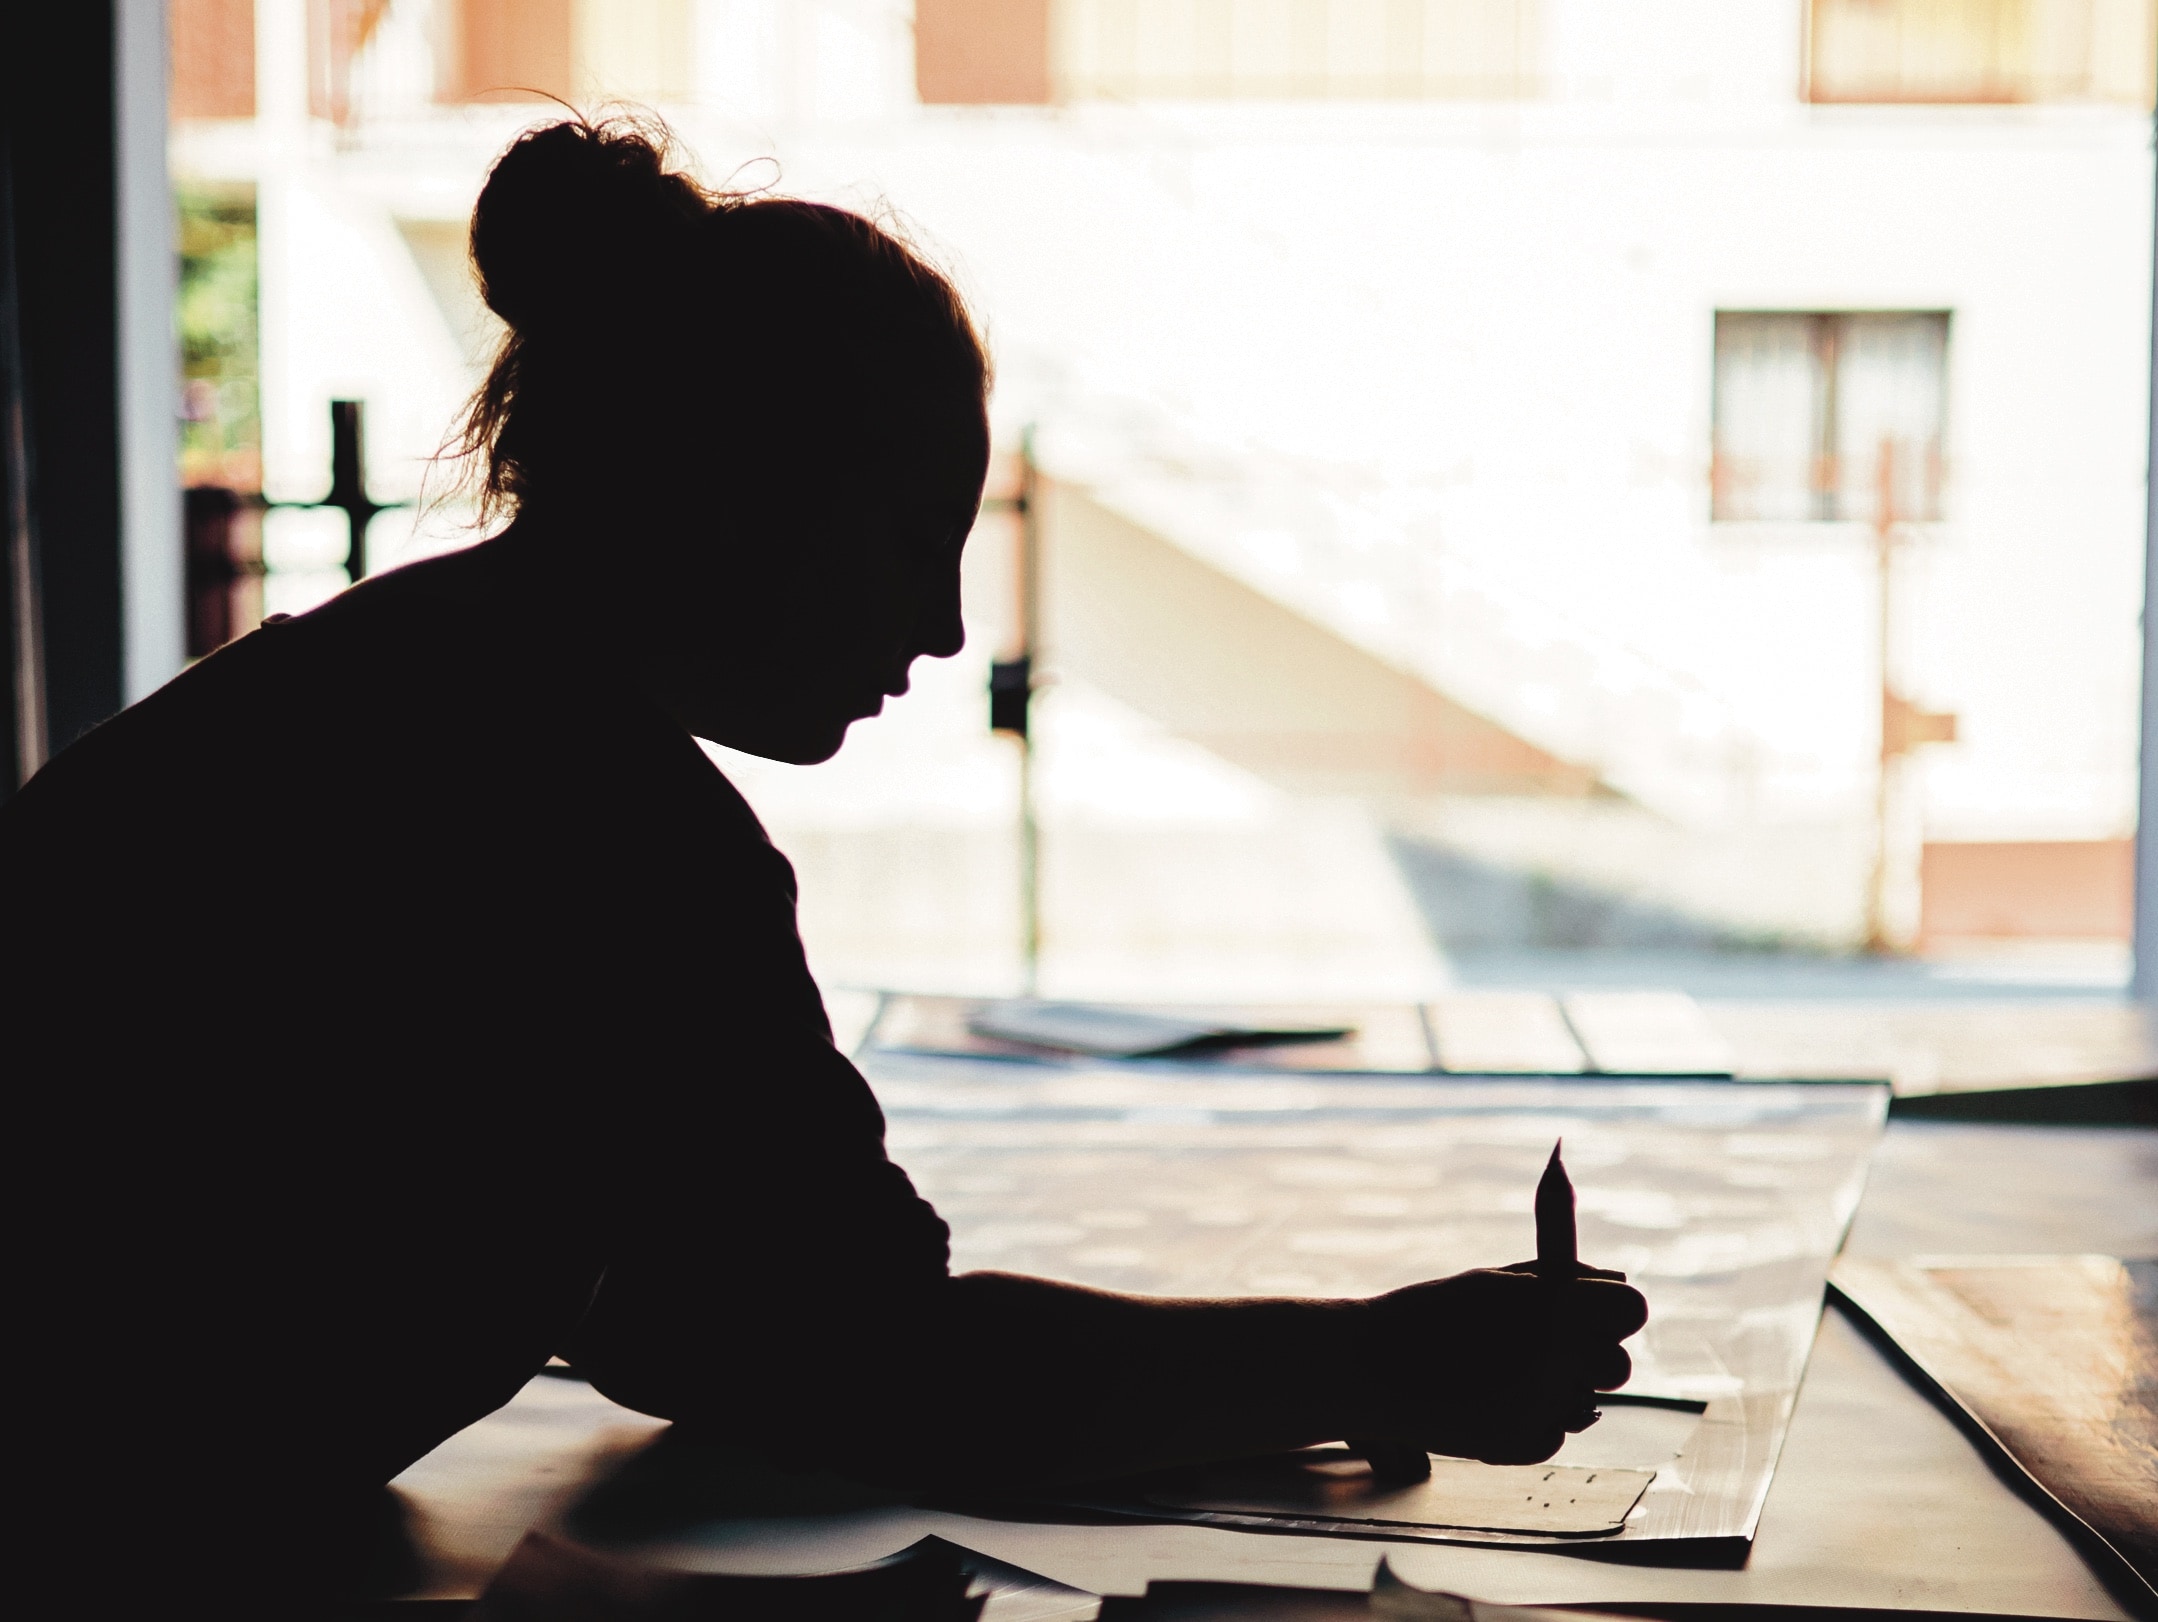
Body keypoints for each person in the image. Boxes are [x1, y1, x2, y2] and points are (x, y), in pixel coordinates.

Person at [2, 118, 1644, 1597]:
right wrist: (1373, 1354)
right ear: (738, 504)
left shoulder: (380, 689)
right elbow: (881, 1367)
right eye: (909, 543)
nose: (939, 628)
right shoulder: (600, 827)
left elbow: (710, 1326)